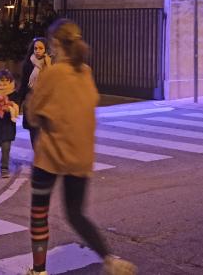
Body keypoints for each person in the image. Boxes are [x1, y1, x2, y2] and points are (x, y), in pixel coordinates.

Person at [24, 19, 136, 275]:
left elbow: (32, 114)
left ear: (55, 44)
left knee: (39, 213)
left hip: (50, 157)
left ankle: (39, 271)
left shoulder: (52, 73)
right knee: (75, 213)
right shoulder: (85, 71)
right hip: (80, 156)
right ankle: (109, 259)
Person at [19, 37, 51, 147]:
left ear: (46, 49)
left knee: (46, 135)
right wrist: (17, 103)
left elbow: (55, 84)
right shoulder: (28, 64)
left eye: (41, 48)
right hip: (32, 104)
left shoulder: (51, 64)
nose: (37, 50)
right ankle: (39, 159)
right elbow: (24, 85)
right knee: (34, 134)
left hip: (47, 105)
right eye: (35, 48)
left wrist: (49, 66)